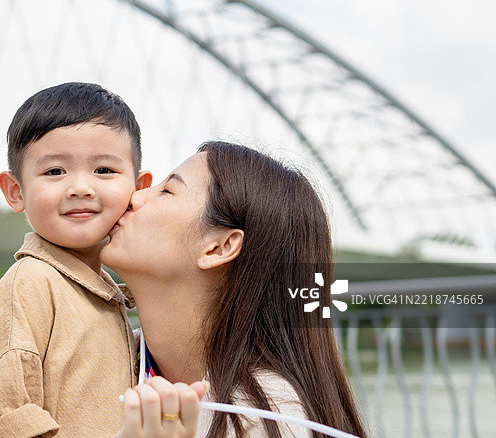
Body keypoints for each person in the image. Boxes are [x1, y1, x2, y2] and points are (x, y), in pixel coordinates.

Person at [103, 141, 369, 438]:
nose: (135, 196)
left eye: (167, 191)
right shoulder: (109, 353)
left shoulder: (269, 420)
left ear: (218, 246)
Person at [0, 82, 156, 437]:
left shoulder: (106, 292)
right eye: (54, 172)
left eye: (104, 171)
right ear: (16, 191)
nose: (80, 187)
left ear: (138, 189)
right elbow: (0, 415)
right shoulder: (31, 283)